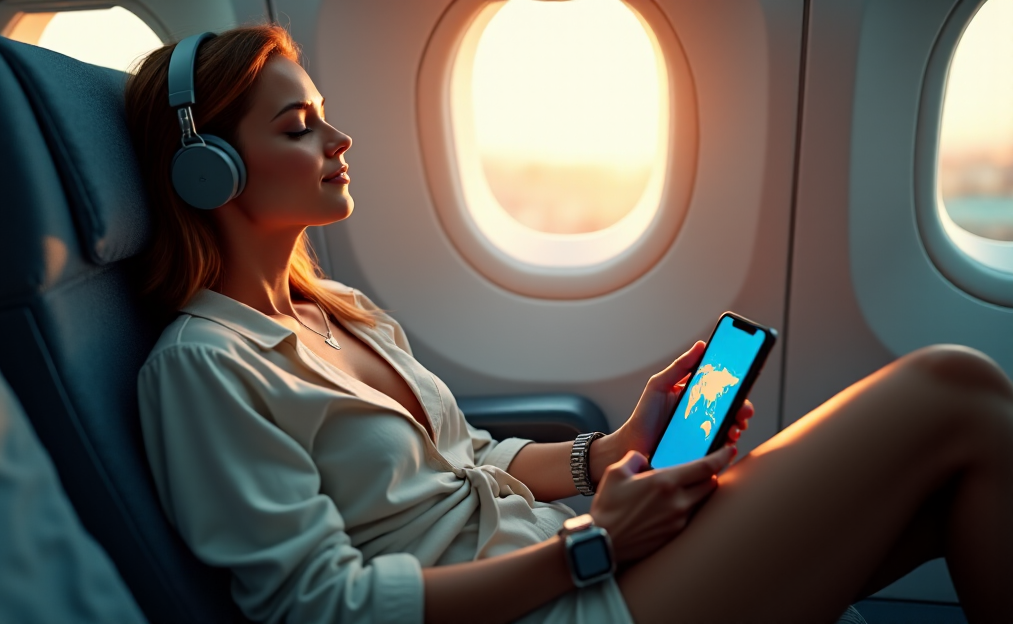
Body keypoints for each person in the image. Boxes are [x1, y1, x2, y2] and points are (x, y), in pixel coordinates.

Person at [125, 25, 1013, 624]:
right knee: (953, 387)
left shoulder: (338, 315)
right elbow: (325, 606)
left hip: (566, 561)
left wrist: (619, 444)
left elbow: (468, 462)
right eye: (300, 126)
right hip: (554, 603)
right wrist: (597, 546)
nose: (339, 140)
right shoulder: (204, 366)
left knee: (946, 492)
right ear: (212, 171)